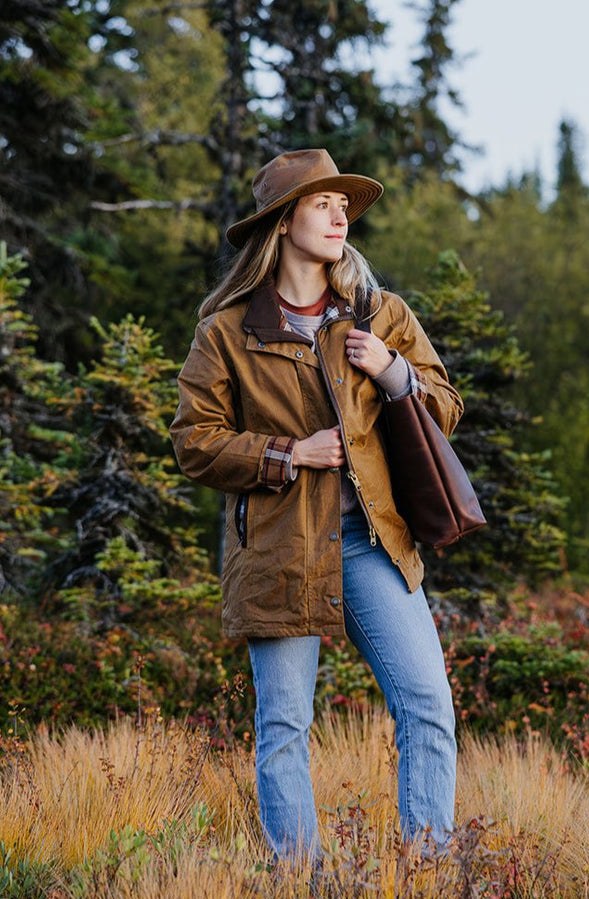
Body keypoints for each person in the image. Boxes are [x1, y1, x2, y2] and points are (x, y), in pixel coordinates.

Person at [170, 148, 462, 863]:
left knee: (428, 707)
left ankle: (427, 882)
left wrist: (393, 373)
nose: (340, 217)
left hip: (373, 541)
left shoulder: (379, 313)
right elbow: (194, 442)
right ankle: (301, 892)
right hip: (279, 545)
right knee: (285, 725)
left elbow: (445, 406)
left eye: (344, 207)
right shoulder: (226, 331)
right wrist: (287, 454)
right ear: (282, 221)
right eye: (322, 204)